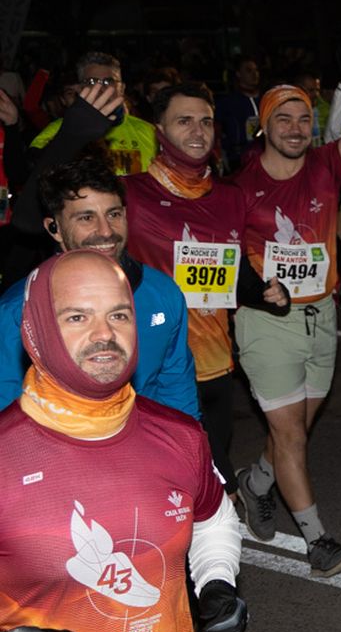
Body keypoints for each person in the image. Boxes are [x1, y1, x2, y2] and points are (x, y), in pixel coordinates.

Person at [0, 249, 249, 632]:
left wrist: (215, 582)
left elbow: (213, 513)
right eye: (77, 317)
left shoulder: (179, 435)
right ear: (35, 330)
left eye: (118, 314)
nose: (104, 334)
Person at [232, 0, 341, 579]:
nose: (297, 129)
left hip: (320, 315)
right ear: (264, 125)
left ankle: (254, 485)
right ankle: (318, 541)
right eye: (284, 119)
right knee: (289, 434)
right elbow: (221, 258)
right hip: (265, 324)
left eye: (305, 118)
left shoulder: (328, 165)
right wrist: (254, 290)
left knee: (292, 431)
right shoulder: (241, 185)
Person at [124, 82, 290, 523]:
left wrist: (266, 291)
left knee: (211, 489)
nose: (198, 131)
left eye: (206, 121)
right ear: (159, 129)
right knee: (166, 490)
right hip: (151, 367)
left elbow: (232, 275)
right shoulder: (129, 195)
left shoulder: (230, 196)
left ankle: (210, 579)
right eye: (184, 121)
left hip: (215, 366)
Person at [0, 153, 197, 418]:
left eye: (113, 214)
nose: (106, 231)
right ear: (54, 228)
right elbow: (9, 411)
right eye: (86, 218)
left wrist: (187, 448)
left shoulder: (162, 292)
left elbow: (176, 386)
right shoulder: (19, 308)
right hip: (60, 450)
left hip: (146, 448)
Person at [28, 52, 157, 177]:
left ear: (121, 89)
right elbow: (34, 173)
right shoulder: (58, 130)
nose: (100, 88)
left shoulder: (150, 133)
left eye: (108, 82)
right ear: (79, 90)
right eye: (91, 82)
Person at [214, 57, 261, 172]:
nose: (254, 74)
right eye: (249, 70)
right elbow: (217, 131)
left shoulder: (266, 99)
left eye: (256, 70)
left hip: (265, 157)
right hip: (238, 160)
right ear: (238, 74)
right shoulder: (227, 103)